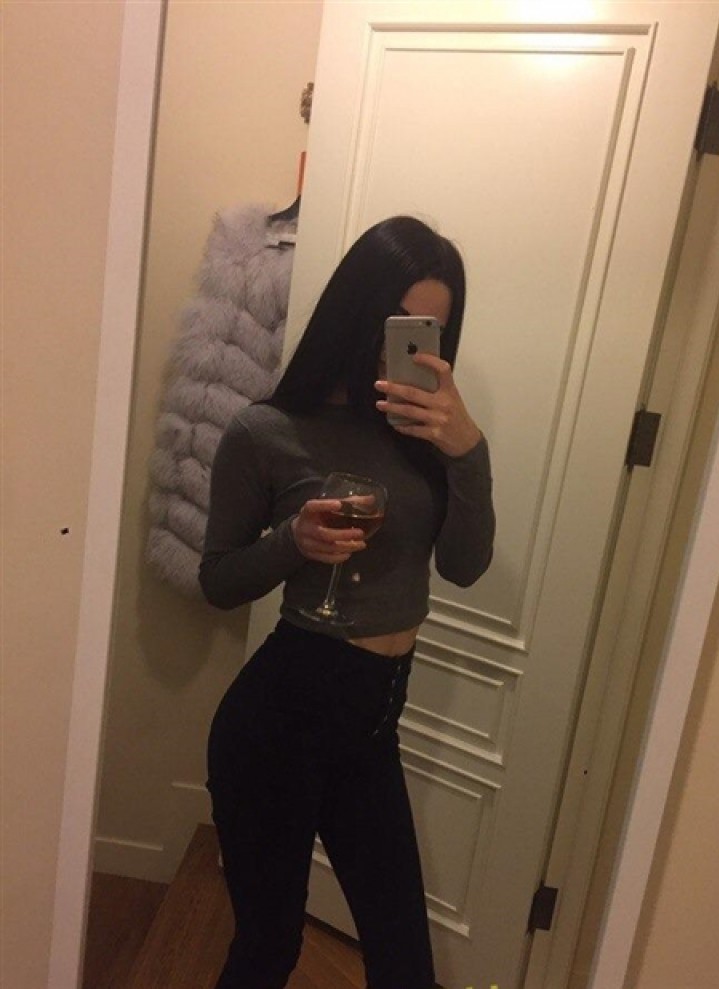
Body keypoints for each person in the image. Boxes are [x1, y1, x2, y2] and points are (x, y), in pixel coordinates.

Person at [200, 215, 495, 989]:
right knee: (268, 949)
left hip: (371, 727)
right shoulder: (265, 431)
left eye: (431, 332)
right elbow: (219, 582)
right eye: (398, 323)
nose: (412, 347)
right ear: (357, 312)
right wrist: (293, 539)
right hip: (280, 723)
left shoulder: (427, 441)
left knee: (405, 967)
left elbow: (465, 566)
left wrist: (470, 451)